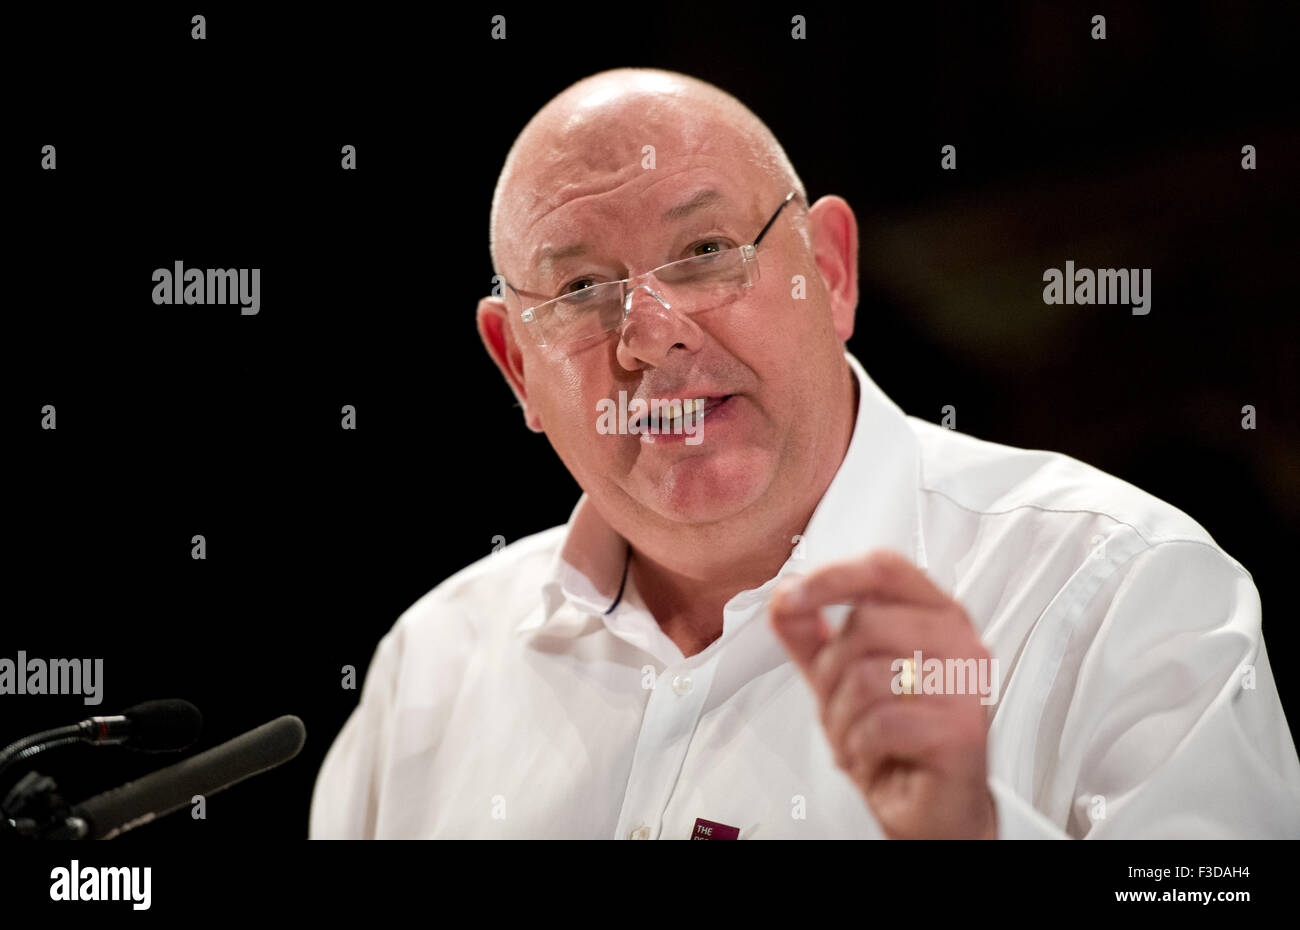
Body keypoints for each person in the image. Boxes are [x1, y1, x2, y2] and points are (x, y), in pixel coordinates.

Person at [309, 67, 1300, 839]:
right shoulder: (429, 673)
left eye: (704, 252)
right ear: (517, 366)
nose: (652, 334)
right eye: (578, 291)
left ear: (828, 272)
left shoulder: (1121, 586)